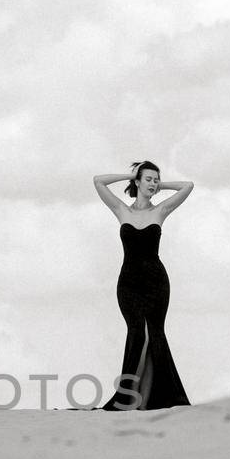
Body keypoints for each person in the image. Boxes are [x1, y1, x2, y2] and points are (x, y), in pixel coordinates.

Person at [92, 161, 194, 409]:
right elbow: (98, 180)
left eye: (155, 180)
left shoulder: (160, 211)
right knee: (139, 333)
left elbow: (188, 186)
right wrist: (132, 174)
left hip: (156, 282)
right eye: (148, 179)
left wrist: (161, 185)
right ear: (137, 181)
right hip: (128, 283)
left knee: (154, 335)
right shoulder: (121, 210)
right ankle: (129, 398)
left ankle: (148, 400)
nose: (153, 183)